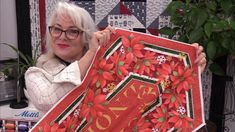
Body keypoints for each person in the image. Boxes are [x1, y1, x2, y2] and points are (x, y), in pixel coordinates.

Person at [24, 2, 206, 112]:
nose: (62, 36)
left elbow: (150, 91)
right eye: (57, 29)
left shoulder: (109, 68)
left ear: (86, 36)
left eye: (73, 31)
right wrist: (91, 53)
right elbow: (47, 99)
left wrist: (188, 67)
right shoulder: (36, 73)